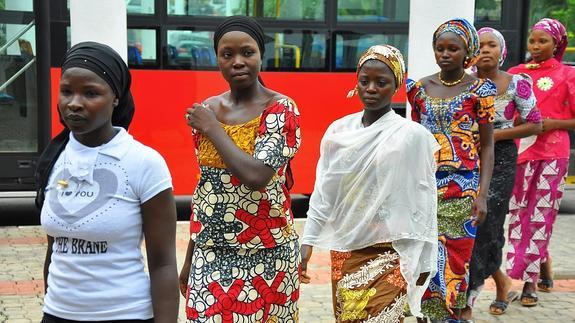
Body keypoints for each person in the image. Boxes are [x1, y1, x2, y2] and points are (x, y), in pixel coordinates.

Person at [35, 42, 179, 322]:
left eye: (90, 93)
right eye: (66, 91)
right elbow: (55, 249)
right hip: (56, 314)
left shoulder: (143, 162)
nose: (74, 103)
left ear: (115, 97)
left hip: (125, 314)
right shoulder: (53, 158)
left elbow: (163, 264)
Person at [300, 44, 440, 322]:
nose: (371, 89)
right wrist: (308, 241)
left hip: (393, 250)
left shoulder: (412, 136)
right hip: (347, 249)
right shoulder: (339, 132)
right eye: (365, 81)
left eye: (381, 82)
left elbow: (424, 202)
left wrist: (424, 257)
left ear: (396, 86)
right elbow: (324, 194)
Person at [179, 16, 301, 322]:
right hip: (211, 251)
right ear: (217, 58)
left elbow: (256, 176)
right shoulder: (208, 109)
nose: (237, 62)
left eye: (247, 52)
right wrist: (189, 258)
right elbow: (205, 191)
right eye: (227, 54)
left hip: (268, 255)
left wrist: (213, 129)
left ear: (261, 55)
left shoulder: (281, 108)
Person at [406, 18, 496, 322]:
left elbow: (487, 146)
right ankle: (422, 316)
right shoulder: (419, 89)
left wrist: (482, 195)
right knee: (423, 259)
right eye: (440, 48)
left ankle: (451, 318)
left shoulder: (481, 90)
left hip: (463, 189)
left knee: (456, 260)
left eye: (453, 49)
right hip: (425, 186)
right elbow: (415, 139)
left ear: (466, 51)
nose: (445, 54)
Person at [463, 27, 542, 319]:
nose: (485, 49)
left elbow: (535, 124)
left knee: (487, 228)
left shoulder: (516, 84)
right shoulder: (463, 83)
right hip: (466, 158)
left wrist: (494, 136)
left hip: (502, 160)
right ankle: (500, 281)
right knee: (466, 228)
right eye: (480, 45)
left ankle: (470, 299)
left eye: (491, 45)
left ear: (502, 51)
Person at [505, 18, 575, 308]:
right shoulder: (514, 74)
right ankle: (542, 263)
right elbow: (504, 114)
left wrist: (552, 124)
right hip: (519, 152)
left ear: (557, 43)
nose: (535, 46)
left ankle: (529, 282)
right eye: (532, 41)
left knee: (540, 215)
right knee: (518, 215)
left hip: (553, 154)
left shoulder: (567, 74)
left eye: (542, 41)